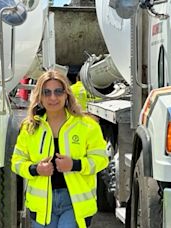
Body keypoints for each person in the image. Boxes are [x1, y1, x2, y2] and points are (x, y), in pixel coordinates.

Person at [11, 70, 108, 228]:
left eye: (58, 92)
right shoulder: (30, 128)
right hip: (42, 207)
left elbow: (102, 159)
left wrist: (74, 165)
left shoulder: (87, 125)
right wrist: (36, 169)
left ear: (66, 94)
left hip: (74, 204)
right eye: (46, 92)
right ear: (40, 97)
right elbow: (16, 162)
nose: (53, 98)